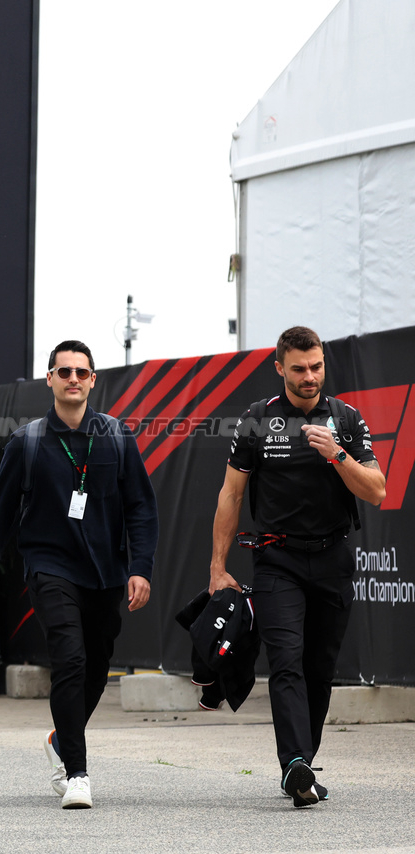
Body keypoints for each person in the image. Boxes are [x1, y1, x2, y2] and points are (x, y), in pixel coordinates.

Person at [0, 340, 158, 809]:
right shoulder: (28, 441)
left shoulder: (116, 436)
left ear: (94, 380)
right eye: (64, 372)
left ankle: (60, 740)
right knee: (71, 660)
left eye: (82, 372)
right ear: (50, 380)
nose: (73, 379)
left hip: (105, 574)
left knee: (95, 668)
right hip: (49, 567)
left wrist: (140, 568)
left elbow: (141, 508)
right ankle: (77, 772)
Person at [209, 326, 385, 808]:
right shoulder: (256, 420)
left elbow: (377, 489)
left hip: (332, 557)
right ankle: (294, 764)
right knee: (285, 660)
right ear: (280, 369)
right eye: (300, 368)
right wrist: (217, 566)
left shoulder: (346, 419)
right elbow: (231, 494)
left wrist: (338, 455)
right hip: (277, 560)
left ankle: (303, 767)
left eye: (317, 367)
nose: (310, 377)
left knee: (319, 668)